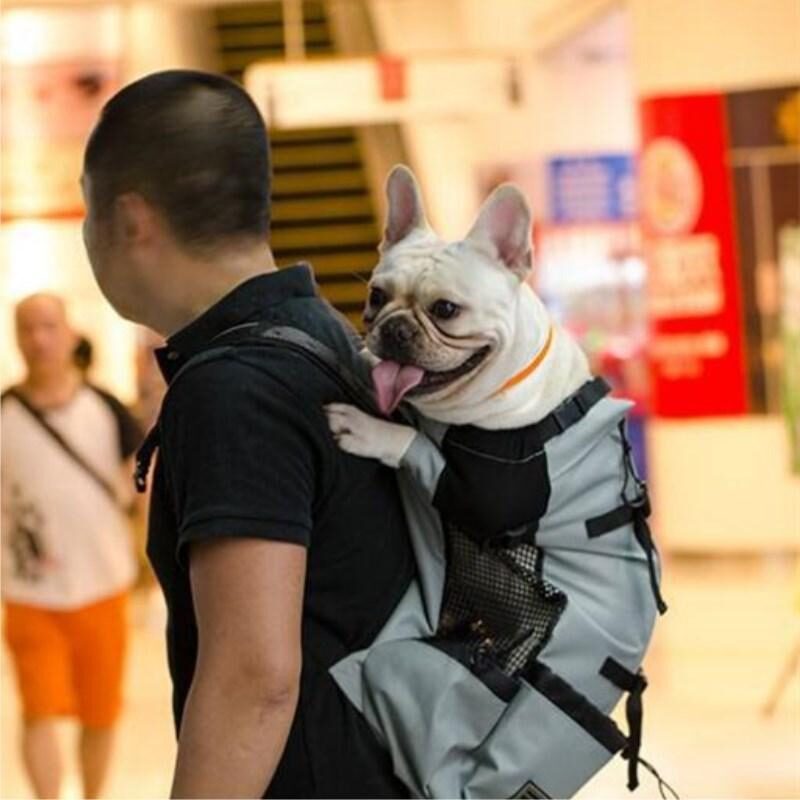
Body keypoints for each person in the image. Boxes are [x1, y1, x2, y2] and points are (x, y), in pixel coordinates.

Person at [80, 69, 415, 798]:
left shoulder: (233, 389)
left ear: (131, 219)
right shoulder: (323, 336)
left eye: (87, 209)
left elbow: (254, 678)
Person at [1, 294, 142, 799]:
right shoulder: (5, 413)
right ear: (16, 338)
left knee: (99, 712)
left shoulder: (106, 408)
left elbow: (139, 489)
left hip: (102, 584)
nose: (38, 339)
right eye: (26, 329)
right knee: (37, 708)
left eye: (47, 327)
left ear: (68, 333)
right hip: (28, 590)